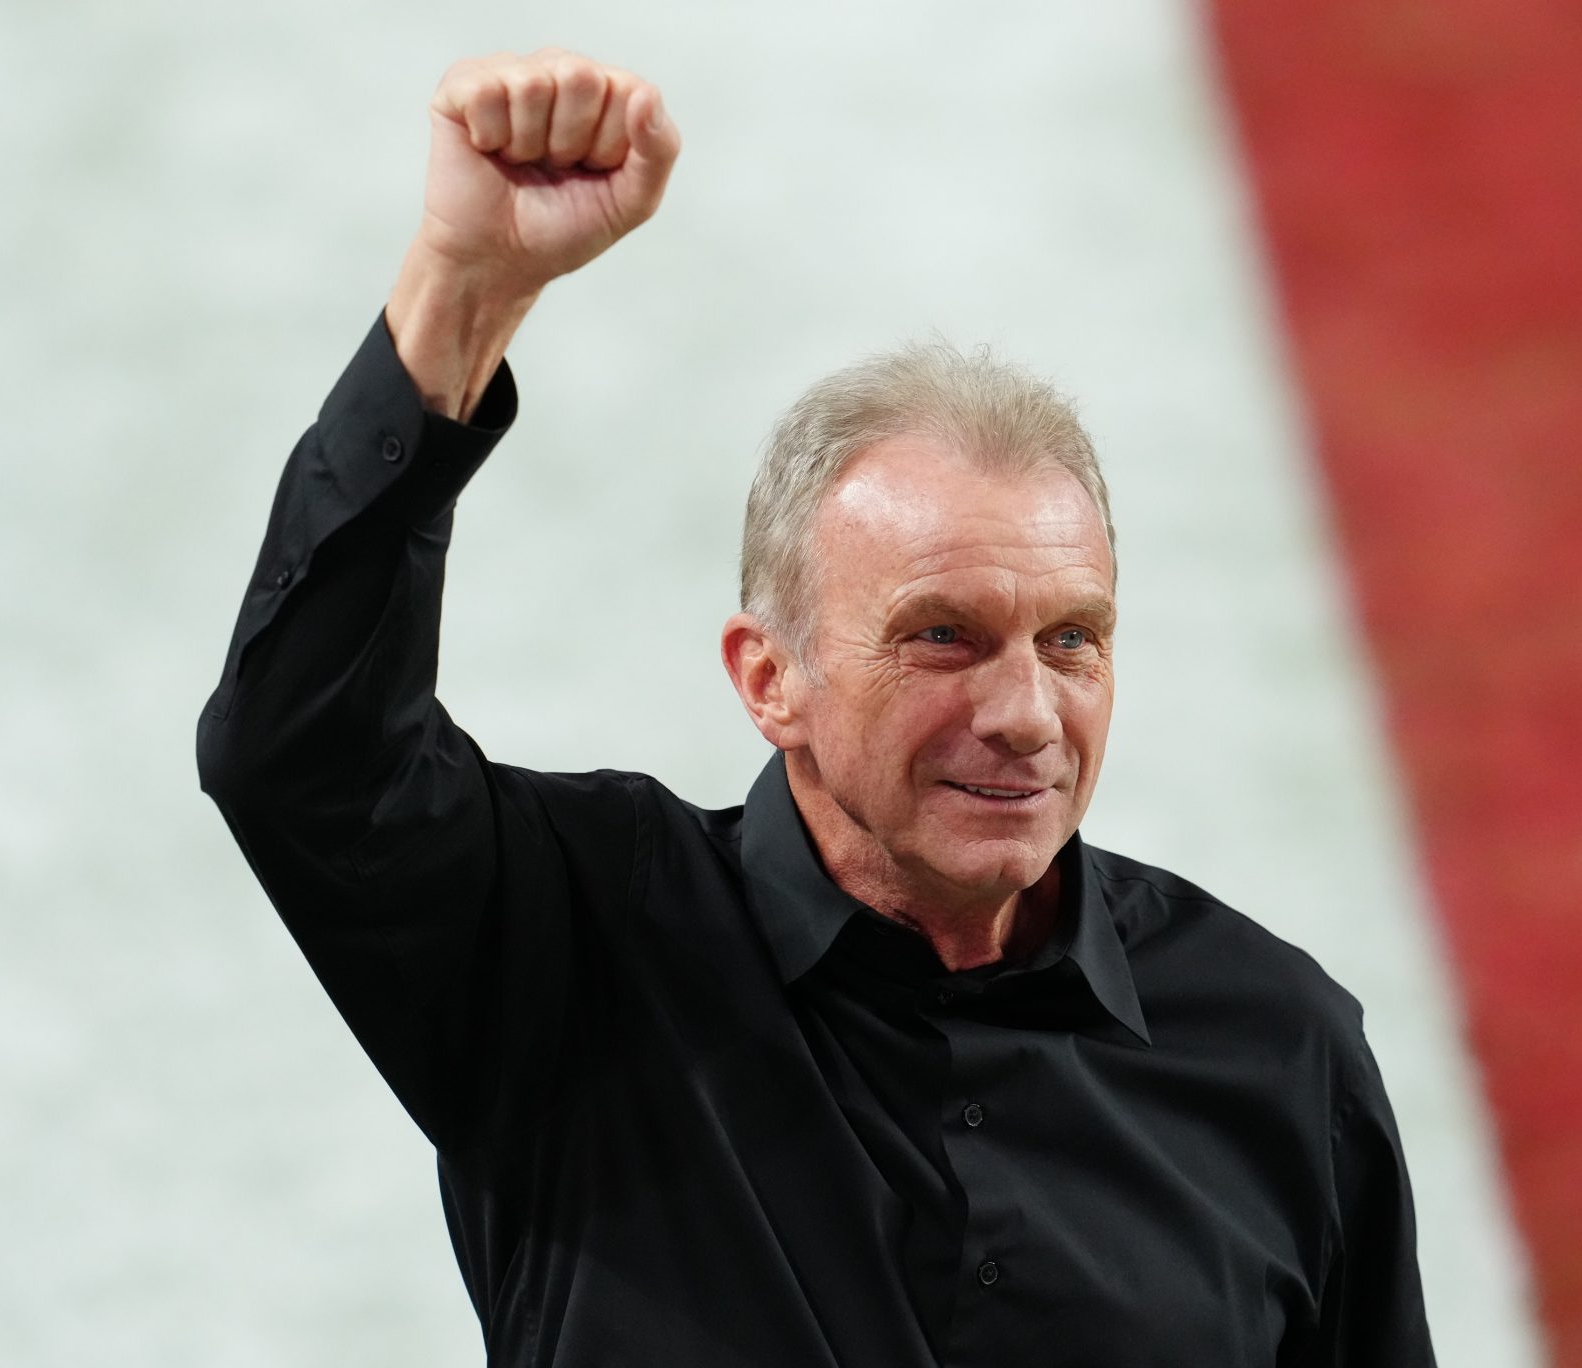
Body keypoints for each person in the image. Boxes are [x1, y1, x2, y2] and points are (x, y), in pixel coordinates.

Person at [196, 46, 1437, 1368]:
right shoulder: (574, 951)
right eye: (942, 638)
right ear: (766, 677)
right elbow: (300, 755)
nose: (1026, 712)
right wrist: (462, 290)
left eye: (1072, 639)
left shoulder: (1274, 1044)